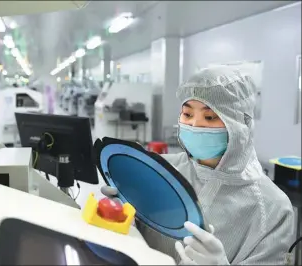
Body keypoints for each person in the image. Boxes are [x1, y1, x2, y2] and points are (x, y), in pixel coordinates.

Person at [101, 66, 295, 265]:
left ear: (240, 124)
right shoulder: (160, 170)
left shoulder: (272, 208)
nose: (194, 124)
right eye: (187, 114)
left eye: (209, 117)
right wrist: (122, 214)